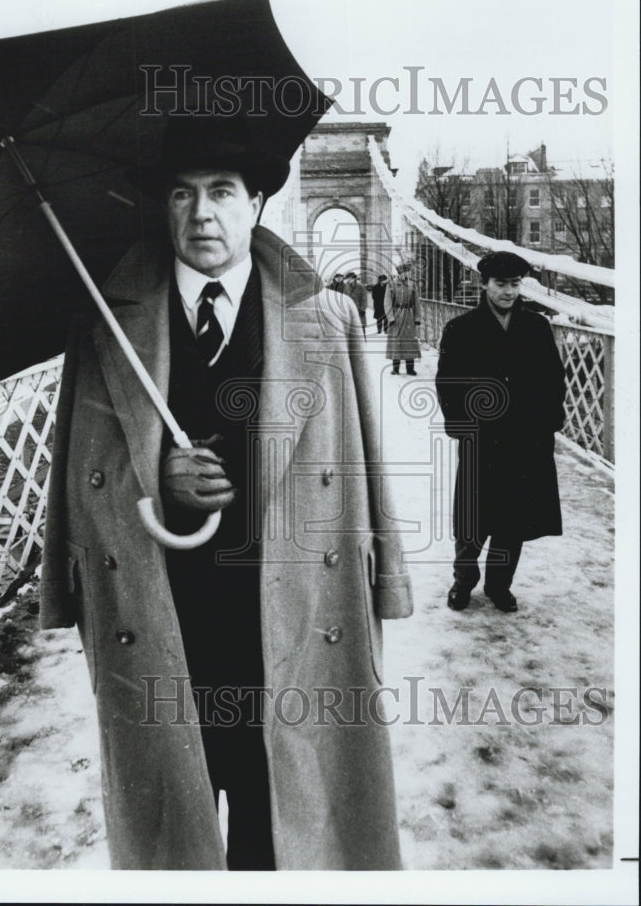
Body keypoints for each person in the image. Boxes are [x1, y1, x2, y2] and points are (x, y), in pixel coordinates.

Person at [40, 114, 413, 870]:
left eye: (220, 192)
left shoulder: (327, 317)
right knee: (174, 812)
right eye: (180, 195)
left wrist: (390, 578)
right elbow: (78, 478)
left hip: (293, 610)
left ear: (257, 204)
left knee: (285, 814)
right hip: (164, 608)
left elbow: (365, 463)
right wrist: (160, 477)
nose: (200, 213)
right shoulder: (106, 324)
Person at [435, 251, 566, 613]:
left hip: (526, 440)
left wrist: (549, 421)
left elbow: (554, 379)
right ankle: (464, 581)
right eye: (501, 284)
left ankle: (499, 584)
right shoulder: (460, 329)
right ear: (484, 284)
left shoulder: (536, 327)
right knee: (472, 518)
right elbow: (447, 382)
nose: (509, 292)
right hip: (482, 439)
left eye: (514, 284)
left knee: (513, 518)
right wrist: (462, 427)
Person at [384, 269, 421, 374]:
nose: (406, 275)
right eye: (404, 272)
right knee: (396, 342)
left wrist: (417, 318)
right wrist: (390, 317)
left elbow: (416, 302)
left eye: (408, 272)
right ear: (399, 273)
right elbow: (387, 302)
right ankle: (395, 369)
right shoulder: (391, 284)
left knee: (410, 342)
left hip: (409, 316)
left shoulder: (412, 284)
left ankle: (410, 369)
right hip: (396, 316)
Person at [343, 272, 368, 341]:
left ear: (354, 278)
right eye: (348, 278)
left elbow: (364, 299)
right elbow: (344, 298)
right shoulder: (346, 287)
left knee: (361, 328)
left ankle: (363, 343)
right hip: (349, 311)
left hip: (359, 311)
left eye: (351, 278)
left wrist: (362, 309)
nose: (349, 280)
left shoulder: (361, 287)